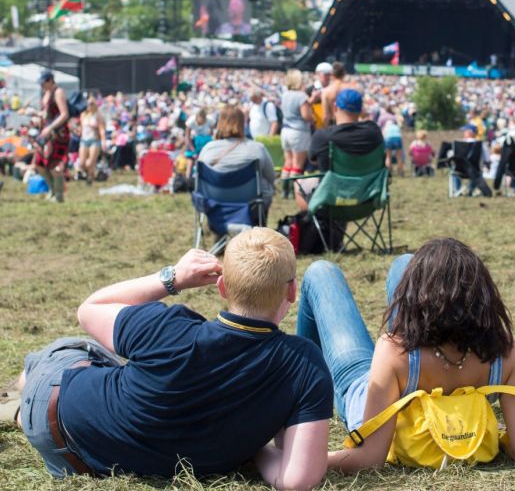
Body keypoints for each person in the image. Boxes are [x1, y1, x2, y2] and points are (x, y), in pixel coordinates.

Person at [11, 228, 332, 489]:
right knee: (90, 354)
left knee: (77, 347)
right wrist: (258, 449)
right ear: (292, 292)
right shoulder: (304, 364)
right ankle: (18, 398)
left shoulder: (168, 328)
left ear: (221, 287)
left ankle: (20, 398)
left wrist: (173, 277)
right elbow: (297, 479)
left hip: (59, 419)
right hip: (88, 458)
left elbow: (89, 310)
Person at [297, 237, 515, 474]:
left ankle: (297, 402)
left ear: (415, 301)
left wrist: (304, 460)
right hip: (407, 370)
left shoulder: (393, 351)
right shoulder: (504, 352)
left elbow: (370, 458)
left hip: (375, 391)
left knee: (321, 271)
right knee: (404, 261)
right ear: (483, 294)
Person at [295, 88, 383, 212]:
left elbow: (313, 160)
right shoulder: (374, 132)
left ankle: (314, 223)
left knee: (298, 182)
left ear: (335, 107)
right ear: (360, 109)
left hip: (331, 199)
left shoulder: (323, 136)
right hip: (367, 199)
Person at [198, 105, 276, 213]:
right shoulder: (257, 148)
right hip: (251, 203)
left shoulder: (207, 149)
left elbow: (199, 178)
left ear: (219, 123)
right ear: (242, 123)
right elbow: (271, 177)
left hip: (214, 201)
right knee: (266, 185)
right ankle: (259, 222)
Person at [35, 70, 70, 202]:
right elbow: (47, 113)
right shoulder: (46, 93)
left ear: (50, 81)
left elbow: (64, 114)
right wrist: (35, 115)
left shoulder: (58, 92)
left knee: (55, 165)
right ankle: (52, 190)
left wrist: (50, 127)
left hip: (58, 134)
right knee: (39, 163)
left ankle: (59, 195)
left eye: (43, 83)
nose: (41, 86)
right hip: (46, 132)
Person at [280, 69, 314, 196]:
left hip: (285, 130)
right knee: (297, 164)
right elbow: (306, 115)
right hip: (298, 131)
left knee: (287, 162)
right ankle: (295, 192)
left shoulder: (285, 94)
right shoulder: (301, 96)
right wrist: (313, 118)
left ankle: (284, 191)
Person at [76, 96, 106, 185]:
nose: (89, 105)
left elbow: (101, 130)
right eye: (87, 104)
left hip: (94, 140)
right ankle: (91, 173)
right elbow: (81, 128)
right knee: (81, 163)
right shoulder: (83, 115)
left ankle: (89, 178)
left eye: (91, 104)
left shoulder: (97, 115)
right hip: (84, 140)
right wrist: (77, 131)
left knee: (90, 163)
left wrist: (103, 141)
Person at [184, 108, 213, 179]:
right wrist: (193, 150)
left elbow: (211, 134)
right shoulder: (191, 121)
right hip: (193, 141)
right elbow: (187, 137)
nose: (201, 123)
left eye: (203, 122)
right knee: (190, 162)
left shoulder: (210, 121)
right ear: (196, 118)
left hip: (205, 142)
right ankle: (188, 181)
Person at [378, 103, 404, 176]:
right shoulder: (393, 117)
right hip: (397, 137)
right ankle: (401, 171)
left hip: (388, 137)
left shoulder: (382, 117)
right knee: (399, 156)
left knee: (388, 156)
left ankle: (388, 172)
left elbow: (379, 128)